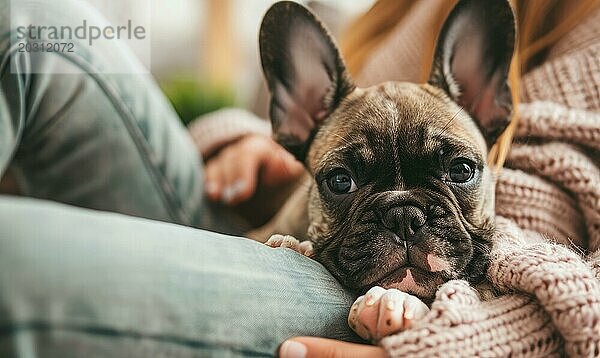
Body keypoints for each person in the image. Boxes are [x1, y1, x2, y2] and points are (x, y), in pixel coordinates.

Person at [1, 1, 598, 358]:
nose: (407, 219)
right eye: (346, 182)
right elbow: (330, 134)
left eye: (460, 172)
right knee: (26, 19)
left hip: (409, 306)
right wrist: (254, 146)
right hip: (280, 234)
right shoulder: (400, 10)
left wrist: (489, 338)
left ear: (493, 107)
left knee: (15, 260)